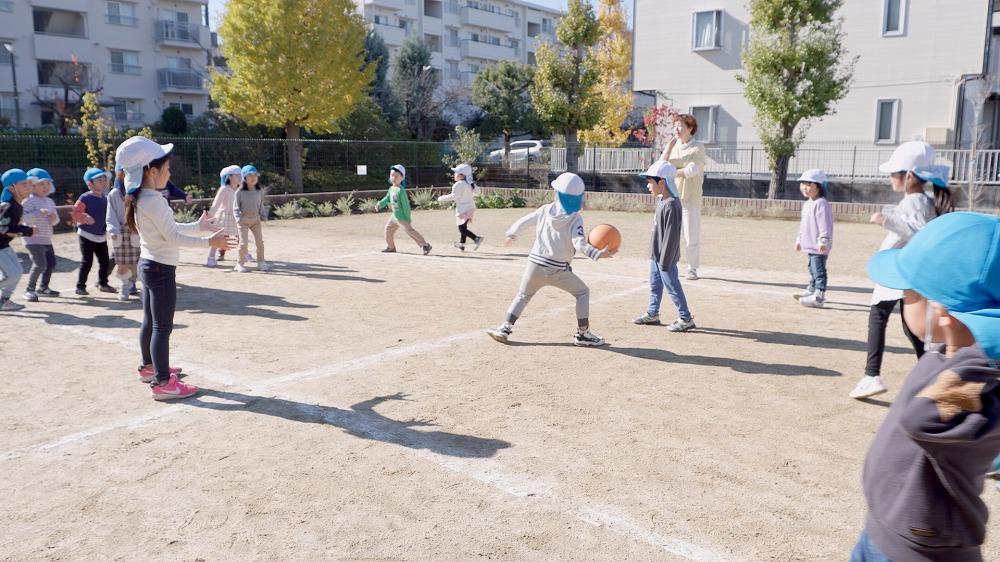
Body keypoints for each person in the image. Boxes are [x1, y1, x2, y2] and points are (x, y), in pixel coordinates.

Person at [851, 211, 1000, 562]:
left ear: (943, 311)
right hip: (883, 531)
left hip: (924, 553)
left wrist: (983, 350)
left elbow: (924, 418)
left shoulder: (978, 380)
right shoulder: (945, 358)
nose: (903, 299)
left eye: (908, 291)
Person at [117, 136, 234, 399]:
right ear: (151, 170)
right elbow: (173, 237)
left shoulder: (142, 198)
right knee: (162, 327)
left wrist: (198, 226)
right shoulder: (154, 200)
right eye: (167, 168)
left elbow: (168, 230)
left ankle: (150, 367)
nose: (169, 173)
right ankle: (162, 383)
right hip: (160, 269)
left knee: (151, 322)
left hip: (149, 265)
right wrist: (209, 241)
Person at [850, 141, 953, 400]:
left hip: (899, 270)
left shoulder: (915, 200)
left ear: (909, 176)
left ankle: (871, 376)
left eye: (894, 173)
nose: (889, 178)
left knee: (879, 318)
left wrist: (885, 219)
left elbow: (919, 233)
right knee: (911, 326)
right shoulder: (921, 200)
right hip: (904, 271)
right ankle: (931, 375)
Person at [486, 172, 614, 346]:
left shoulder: (545, 209)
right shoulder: (575, 218)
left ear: (557, 194)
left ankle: (504, 328)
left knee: (523, 295)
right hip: (558, 269)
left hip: (534, 265)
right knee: (583, 292)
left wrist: (512, 233)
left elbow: (525, 221)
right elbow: (579, 243)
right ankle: (583, 334)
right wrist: (598, 253)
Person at [632, 160, 696, 332]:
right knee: (654, 284)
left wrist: (665, 261)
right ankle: (653, 313)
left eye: (650, 182)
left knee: (672, 286)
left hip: (665, 258)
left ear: (662, 182)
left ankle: (686, 318)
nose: (648, 186)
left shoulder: (672, 205)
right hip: (656, 254)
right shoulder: (662, 200)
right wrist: (654, 254)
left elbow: (671, 237)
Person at [660, 114, 706, 280]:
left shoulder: (698, 148)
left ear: (690, 128)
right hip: (672, 198)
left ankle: (692, 268)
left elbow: (690, 171)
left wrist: (671, 171)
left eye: (680, 126)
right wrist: (668, 148)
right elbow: (660, 166)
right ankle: (669, 265)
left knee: (690, 236)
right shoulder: (674, 146)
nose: (676, 129)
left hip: (690, 199)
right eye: (675, 126)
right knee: (670, 235)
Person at [793, 169, 834, 309]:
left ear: (819, 186)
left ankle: (819, 295)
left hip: (818, 246)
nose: (805, 187)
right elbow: (803, 225)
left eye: (809, 184)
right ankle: (811, 289)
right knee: (812, 268)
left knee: (819, 270)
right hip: (809, 244)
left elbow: (825, 225)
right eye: (803, 183)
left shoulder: (821, 203)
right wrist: (799, 240)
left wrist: (823, 241)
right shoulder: (808, 204)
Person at [71, 168, 114, 296]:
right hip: (86, 235)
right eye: (99, 180)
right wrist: (84, 217)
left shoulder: (106, 198)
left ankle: (103, 283)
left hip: (101, 236)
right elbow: (75, 213)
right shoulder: (85, 198)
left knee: (105, 262)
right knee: (87, 261)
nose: (103, 182)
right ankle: (80, 286)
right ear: (90, 184)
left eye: (104, 179)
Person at [21, 168, 61, 302]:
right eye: (42, 184)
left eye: (48, 183)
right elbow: (23, 218)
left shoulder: (49, 202)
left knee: (51, 263)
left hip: (46, 239)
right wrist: (38, 214)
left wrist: (53, 218)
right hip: (32, 239)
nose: (46, 187)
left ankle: (43, 287)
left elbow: (55, 222)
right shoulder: (27, 201)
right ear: (31, 185)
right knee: (40, 264)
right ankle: (29, 289)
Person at [0, 169, 35, 311]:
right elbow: (3, 229)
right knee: (12, 274)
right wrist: (28, 231)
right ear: (11, 188)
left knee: (18, 272)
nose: (28, 187)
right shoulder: (6, 206)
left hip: (3, 245)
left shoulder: (17, 204)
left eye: (28, 183)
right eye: (23, 184)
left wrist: (25, 229)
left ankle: (4, 300)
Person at [377, 164, 431, 255]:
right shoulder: (391, 189)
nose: (393, 177)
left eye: (396, 176)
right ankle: (391, 247)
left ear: (402, 178)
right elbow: (387, 198)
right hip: (394, 216)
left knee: (410, 231)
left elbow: (406, 206)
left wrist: (407, 218)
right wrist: (379, 204)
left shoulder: (401, 191)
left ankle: (425, 245)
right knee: (388, 229)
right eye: (392, 175)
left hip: (402, 217)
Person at [107, 167, 141, 301]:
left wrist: (139, 227)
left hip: (135, 231)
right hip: (119, 233)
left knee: (136, 262)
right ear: (119, 174)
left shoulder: (139, 193)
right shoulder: (114, 194)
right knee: (121, 263)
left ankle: (132, 283)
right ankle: (124, 285)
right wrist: (113, 230)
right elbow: (110, 215)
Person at [437, 163, 483, 252]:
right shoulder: (469, 184)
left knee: (461, 228)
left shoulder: (458, 184)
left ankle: (476, 238)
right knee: (463, 228)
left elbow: (454, 196)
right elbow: (478, 192)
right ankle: (462, 245)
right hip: (470, 209)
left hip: (463, 210)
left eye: (456, 173)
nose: (454, 174)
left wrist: (441, 198)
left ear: (462, 175)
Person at [233, 165, 269, 273]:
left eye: (255, 175)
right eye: (250, 175)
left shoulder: (259, 191)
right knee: (243, 243)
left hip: (256, 220)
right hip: (243, 221)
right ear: (244, 177)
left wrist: (263, 215)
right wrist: (239, 219)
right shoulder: (239, 192)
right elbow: (235, 207)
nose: (253, 178)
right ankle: (239, 264)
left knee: (260, 242)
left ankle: (261, 262)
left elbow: (260, 204)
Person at [206, 165, 241, 267]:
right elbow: (216, 204)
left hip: (236, 216)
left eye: (240, 175)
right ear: (230, 177)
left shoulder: (239, 190)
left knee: (241, 236)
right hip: (223, 216)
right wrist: (209, 216)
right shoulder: (224, 189)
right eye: (237, 175)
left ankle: (244, 254)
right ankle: (211, 257)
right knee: (218, 237)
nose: (240, 177)